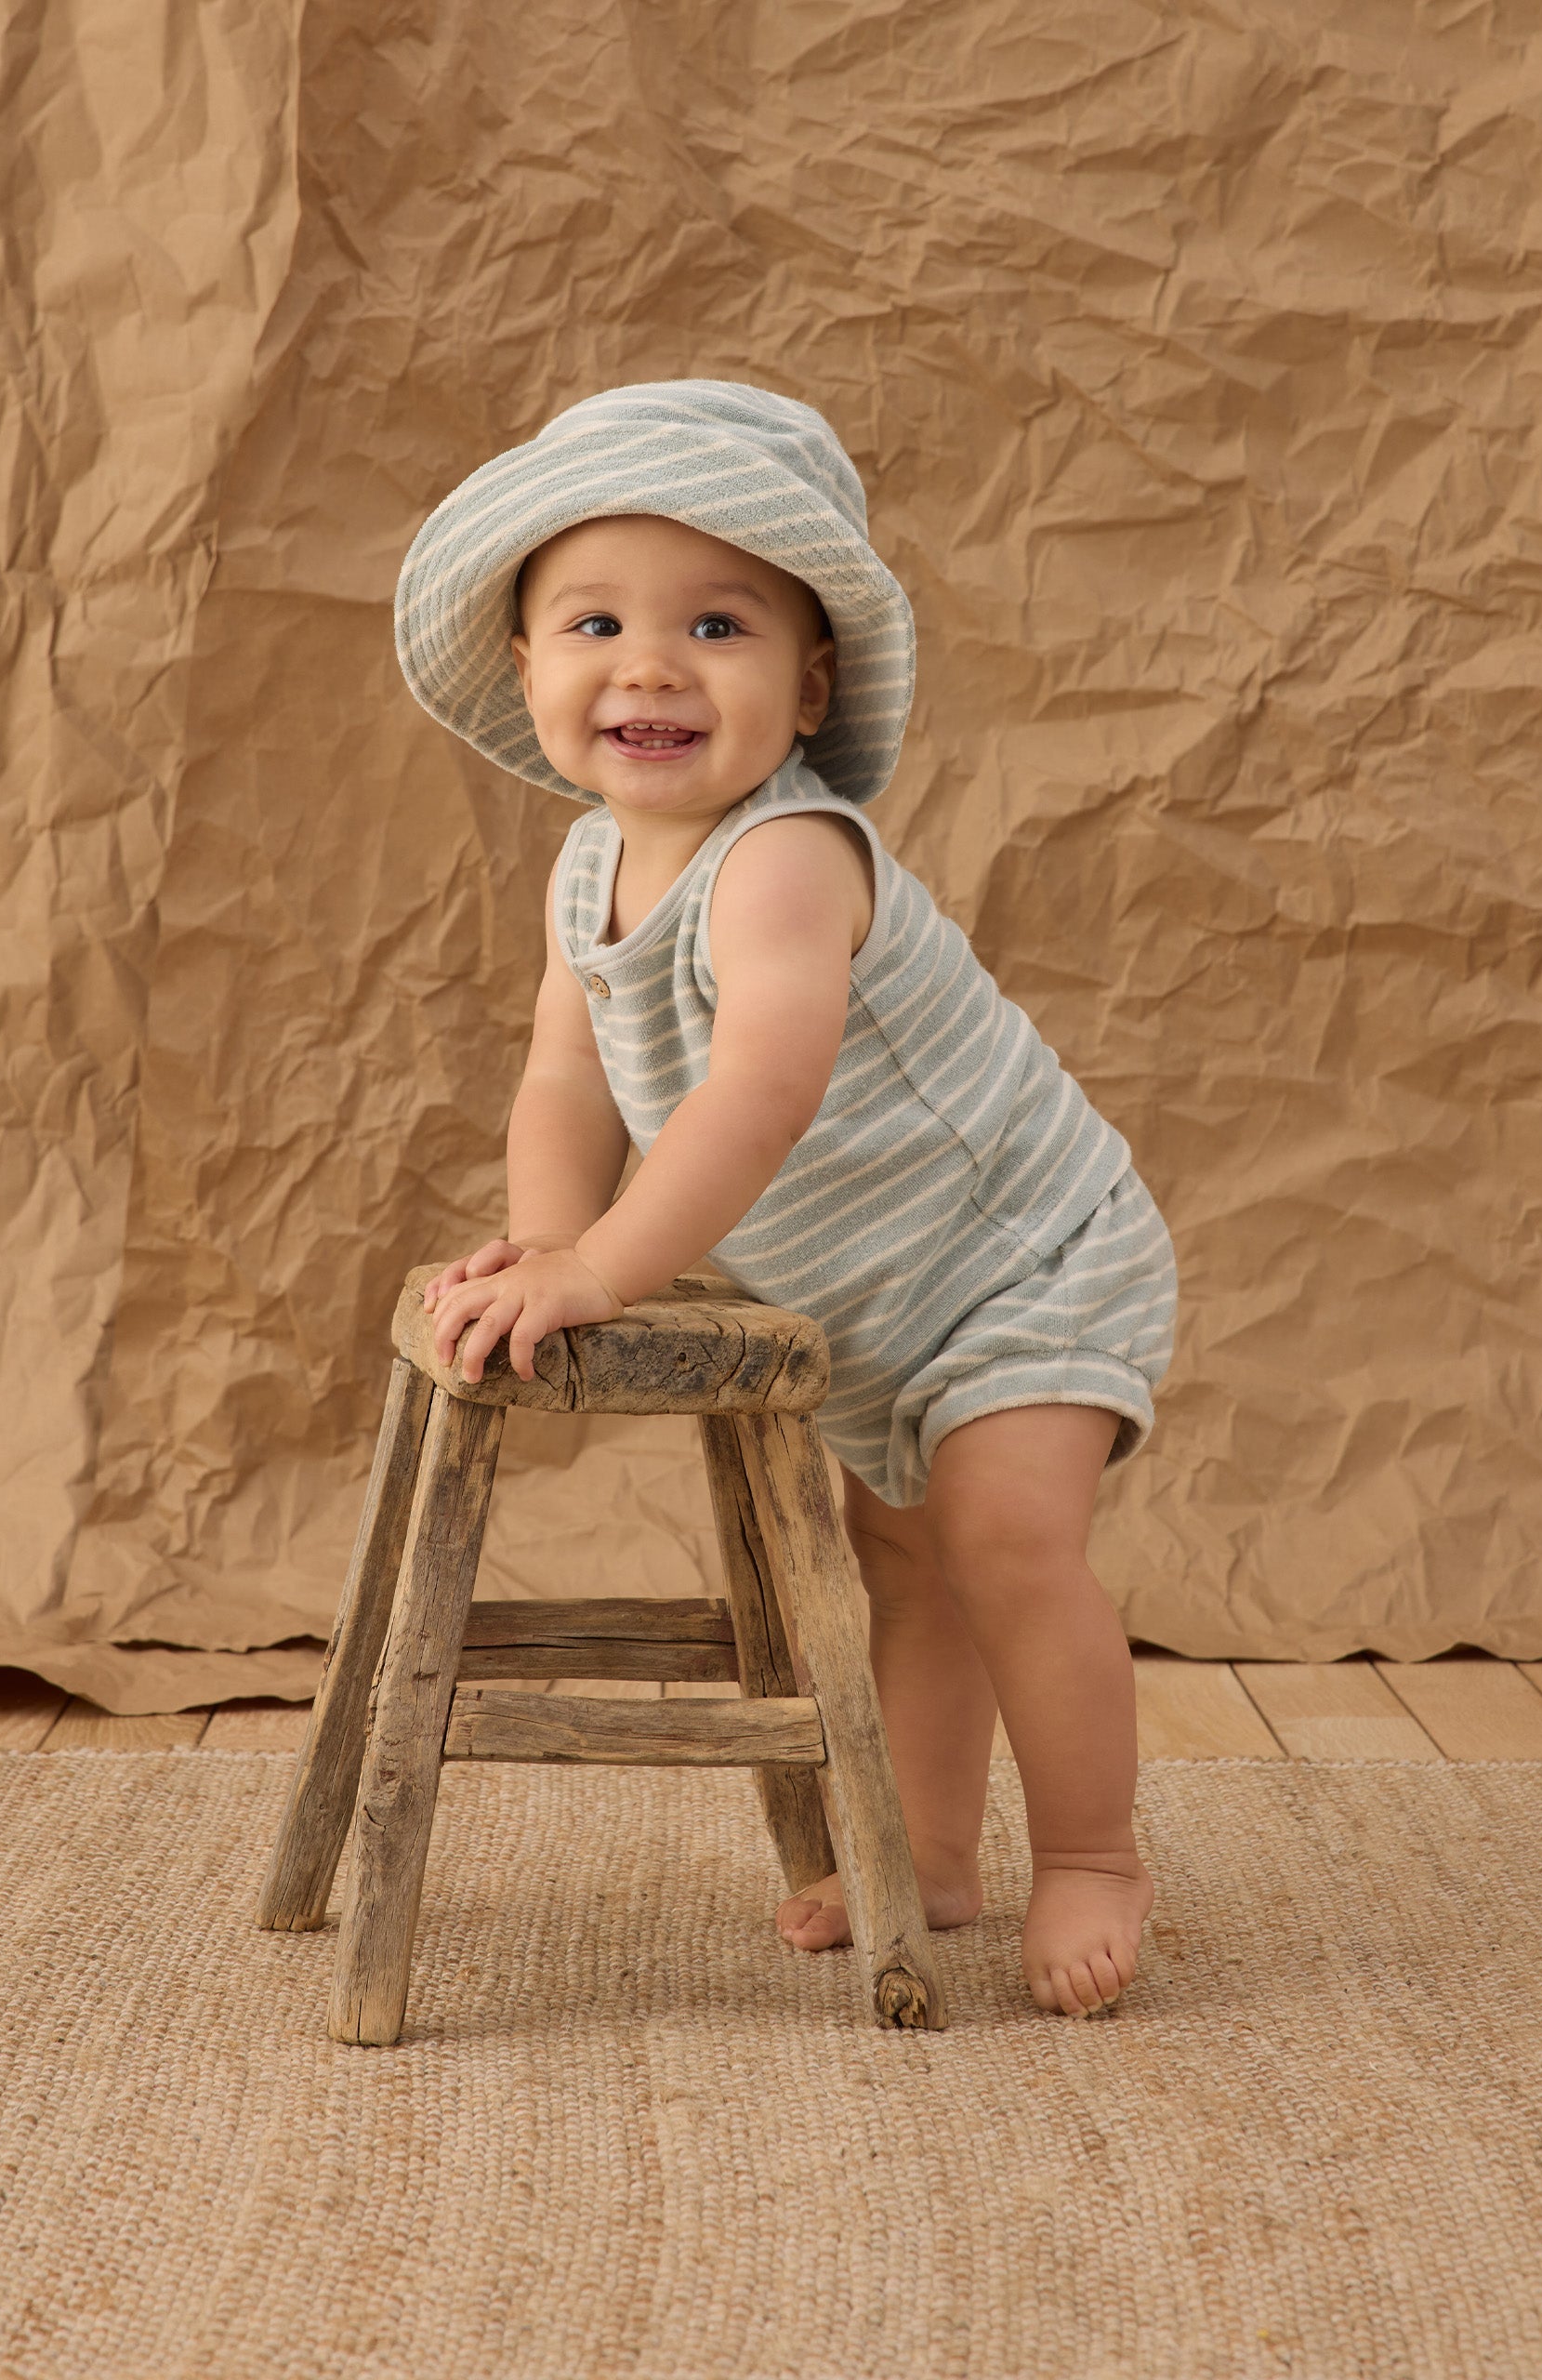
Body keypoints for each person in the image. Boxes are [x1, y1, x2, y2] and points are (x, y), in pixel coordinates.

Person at [398, 382, 1177, 2016]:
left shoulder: (788, 857)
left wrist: (609, 1267)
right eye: (594, 620)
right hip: (879, 1303)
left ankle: (1095, 1852)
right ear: (528, 668)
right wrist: (551, 1238)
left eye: (721, 624)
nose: (654, 664)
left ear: (810, 685)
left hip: (1023, 1259)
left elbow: (761, 1093)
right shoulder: (585, 868)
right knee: (895, 1562)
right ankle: (937, 1851)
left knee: (1004, 1541)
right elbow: (567, 1079)